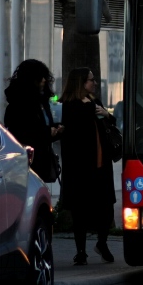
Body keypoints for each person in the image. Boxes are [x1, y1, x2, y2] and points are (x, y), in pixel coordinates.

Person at [59, 67, 117, 266]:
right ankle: (80, 251)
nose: (94, 83)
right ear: (80, 82)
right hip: (80, 167)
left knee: (106, 207)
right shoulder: (70, 105)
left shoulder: (95, 102)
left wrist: (106, 115)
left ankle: (102, 242)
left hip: (102, 164)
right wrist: (96, 112)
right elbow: (73, 124)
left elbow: (111, 122)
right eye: (90, 80)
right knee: (80, 210)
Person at [3, 59, 62, 182]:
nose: (44, 81)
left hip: (41, 161)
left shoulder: (41, 102)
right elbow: (21, 133)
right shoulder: (17, 105)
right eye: (40, 77)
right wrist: (47, 132)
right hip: (26, 163)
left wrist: (55, 130)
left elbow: (41, 127)